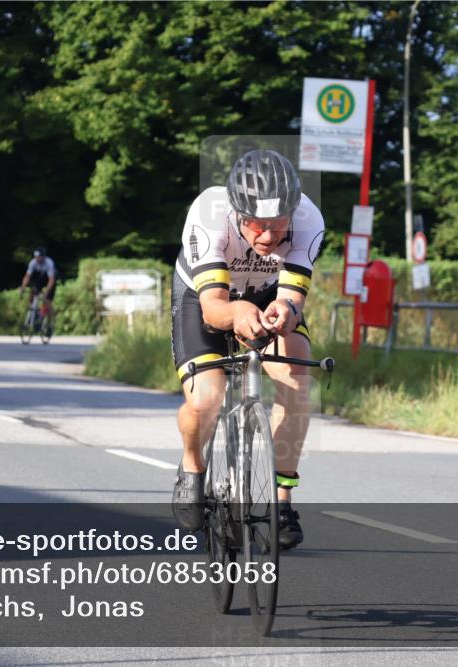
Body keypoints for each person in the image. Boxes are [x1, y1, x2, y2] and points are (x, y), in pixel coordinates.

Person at [171, 149, 324, 550]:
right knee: (207, 397)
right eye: (256, 225)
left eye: (278, 225)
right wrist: (238, 312)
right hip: (204, 294)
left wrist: (285, 310)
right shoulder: (209, 213)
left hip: (266, 291)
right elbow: (214, 308)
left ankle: (282, 502)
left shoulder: (309, 219)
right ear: (238, 212)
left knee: (297, 380)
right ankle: (192, 466)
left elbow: (292, 299)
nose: (268, 237)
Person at [19, 247, 57, 324]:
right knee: (33, 289)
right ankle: (31, 308)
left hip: (50, 279)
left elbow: (51, 280)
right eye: (36, 257)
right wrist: (22, 287)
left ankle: (51, 321)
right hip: (41, 277)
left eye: (39, 257)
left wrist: (47, 291)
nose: (37, 259)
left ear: (43, 257)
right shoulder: (33, 262)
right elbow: (27, 276)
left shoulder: (49, 263)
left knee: (47, 299)